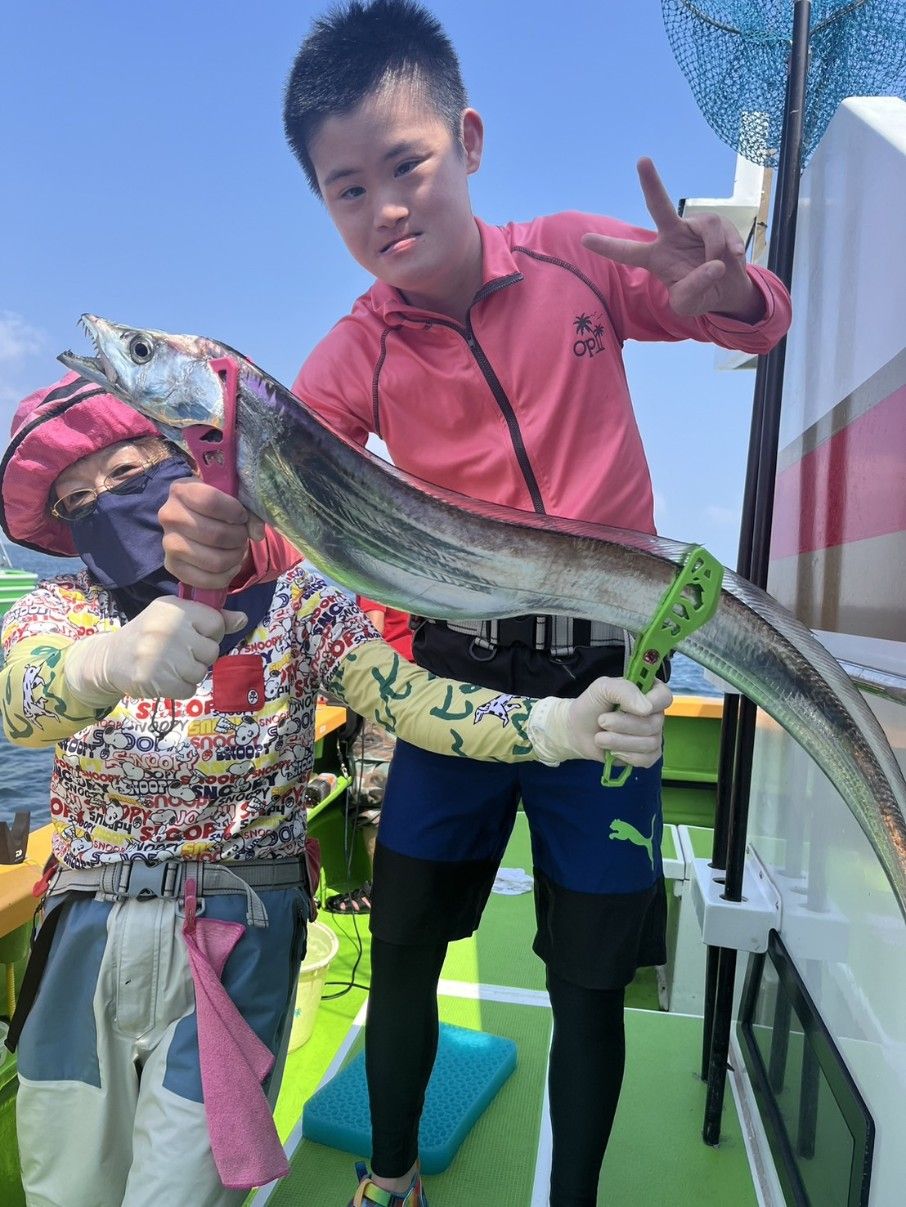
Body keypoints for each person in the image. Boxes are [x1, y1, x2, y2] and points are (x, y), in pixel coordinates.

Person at [158, 3, 793, 1203]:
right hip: (452, 684)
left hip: (611, 680)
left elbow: (752, 327)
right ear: (324, 205)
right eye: (348, 190)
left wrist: (736, 293)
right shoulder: (355, 352)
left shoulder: (575, 257)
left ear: (471, 141)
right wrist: (223, 541)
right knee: (402, 949)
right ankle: (390, 1175)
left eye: (408, 163)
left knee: (589, 979)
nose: (385, 208)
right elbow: (283, 523)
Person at [0, 372, 664, 1207]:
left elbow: (413, 700)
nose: (105, 500)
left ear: (188, 460)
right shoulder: (61, 606)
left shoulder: (299, 600)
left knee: (182, 1190)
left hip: (236, 931)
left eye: (127, 472)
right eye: (75, 499)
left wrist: (559, 725)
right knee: (64, 1189)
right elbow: (22, 700)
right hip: (82, 932)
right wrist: (105, 662)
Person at [325, 597, 414, 915]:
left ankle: (384, 895)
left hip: (385, 692)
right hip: (419, 688)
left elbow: (370, 636)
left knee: (374, 797)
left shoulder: (379, 579)